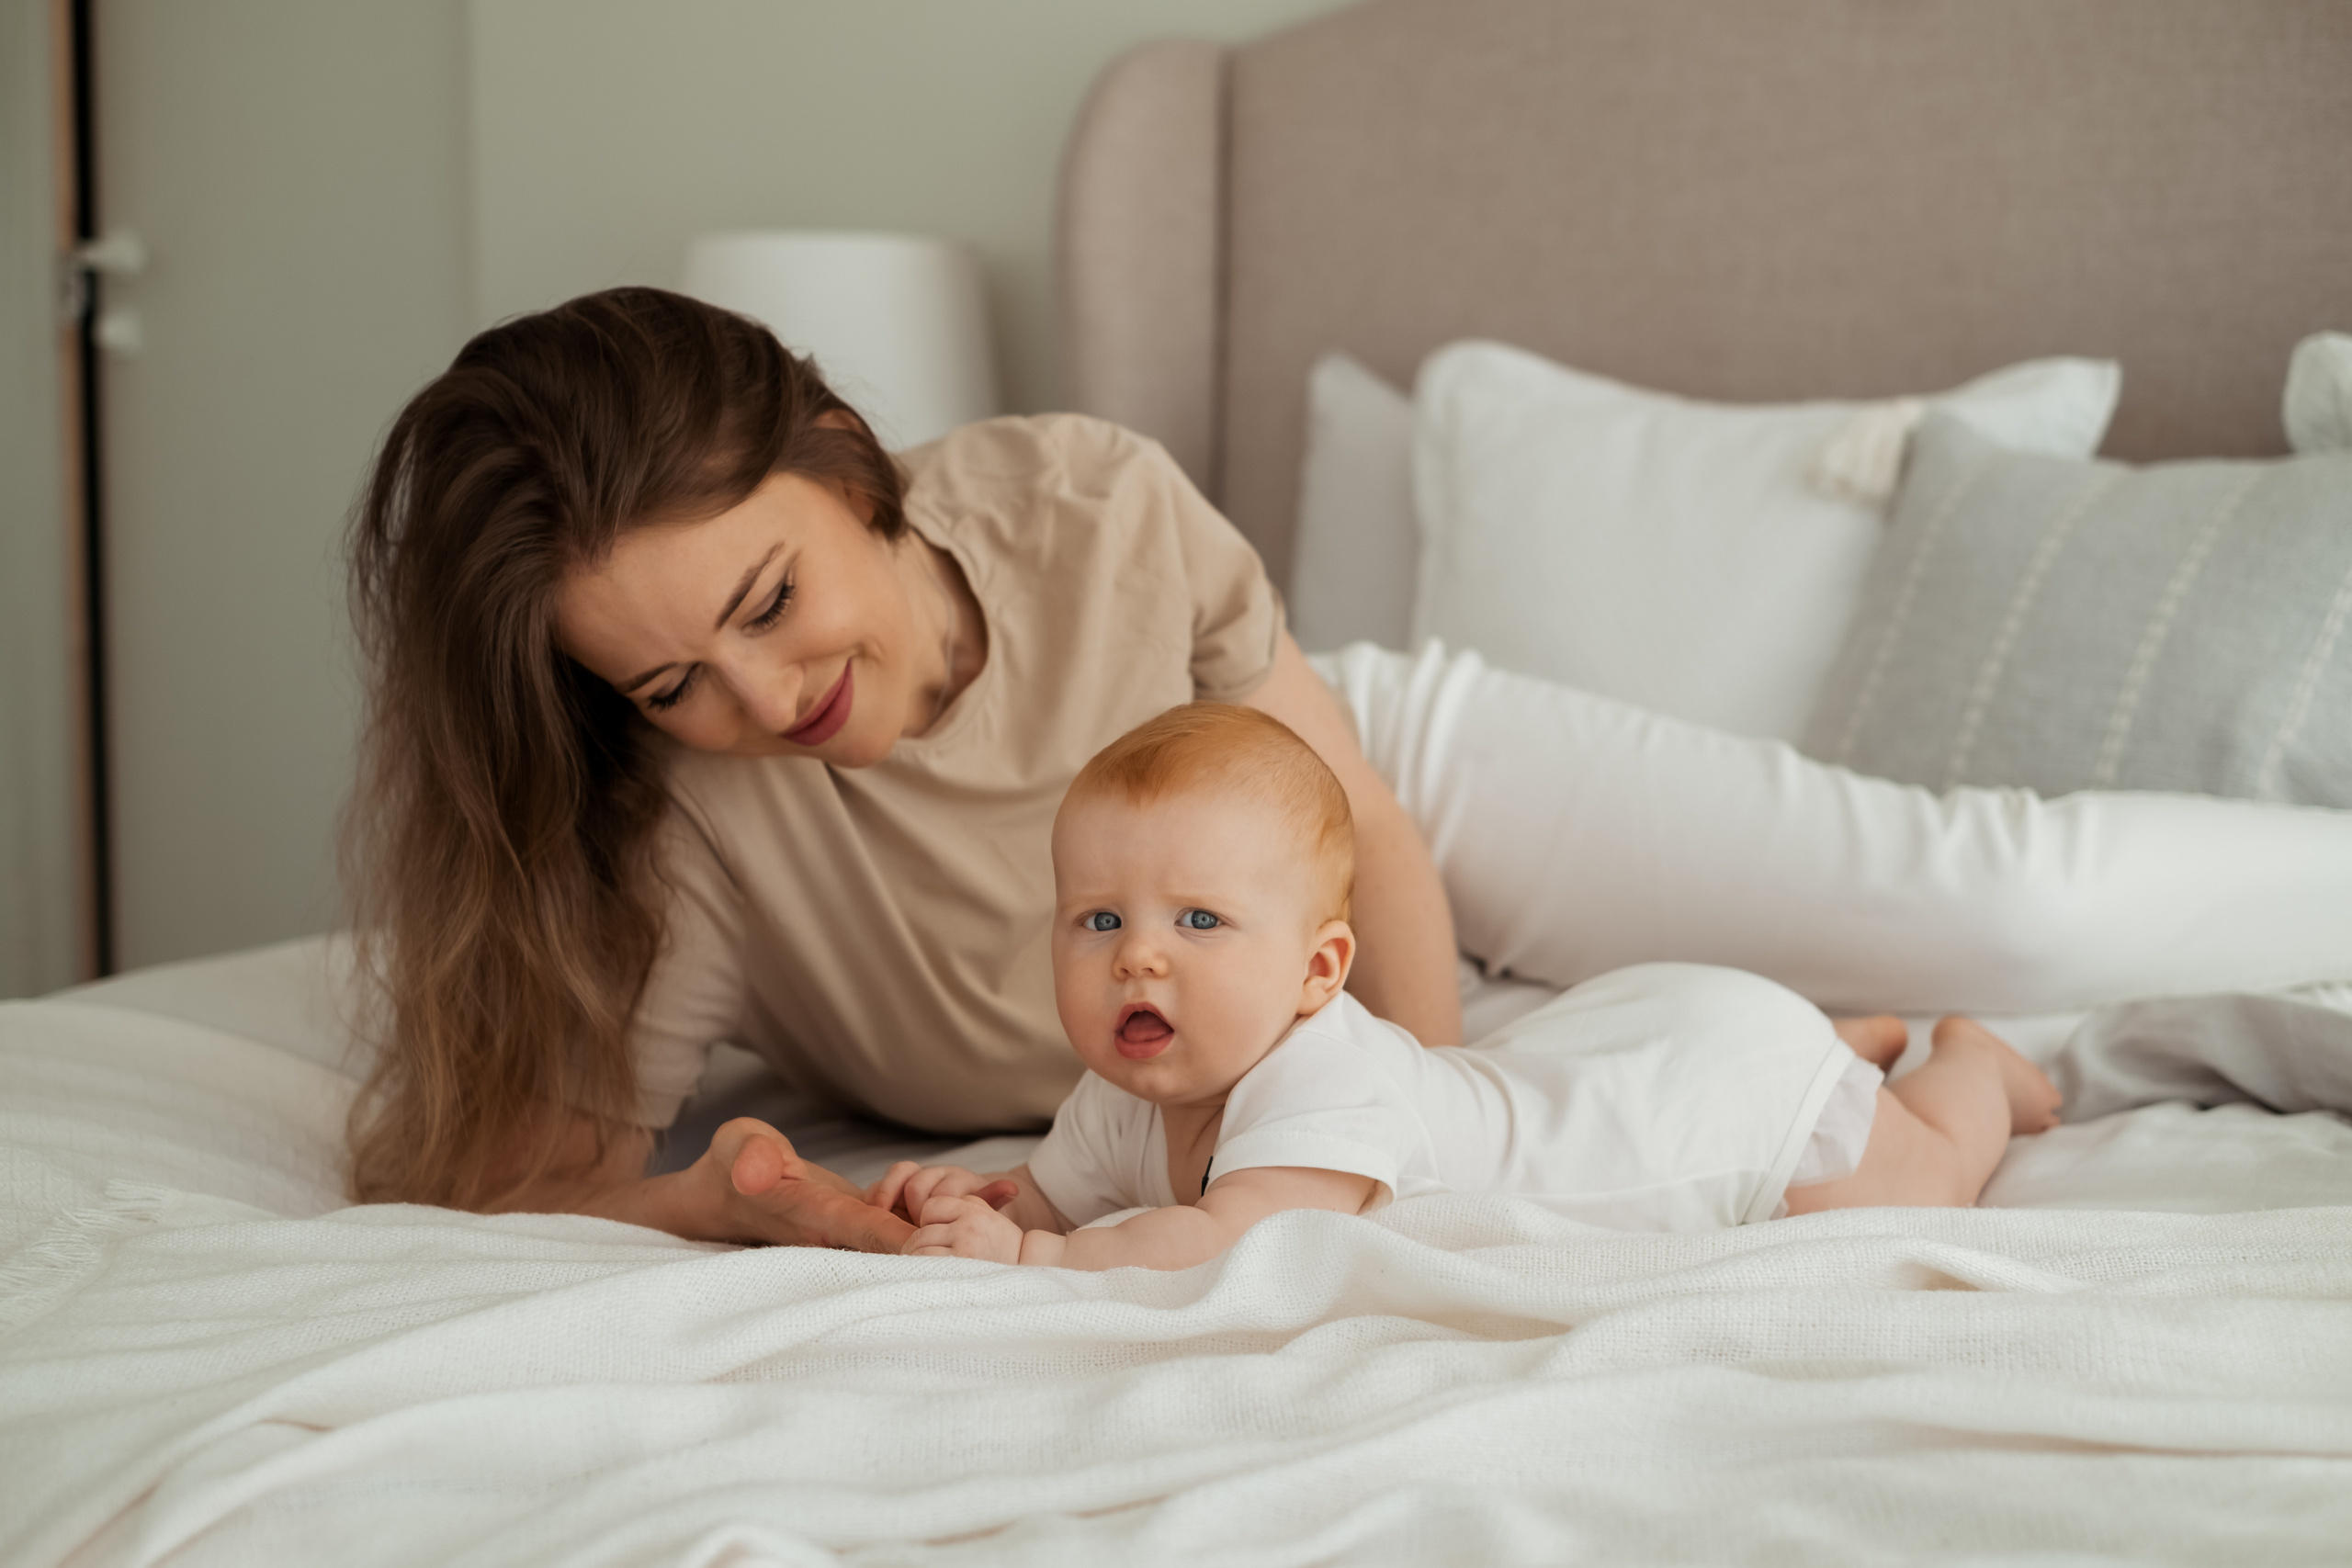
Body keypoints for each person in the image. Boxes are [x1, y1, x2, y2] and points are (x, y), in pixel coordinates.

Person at [343, 287, 2352, 1253]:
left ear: (852, 465)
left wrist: (1446, 1084)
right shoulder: (682, 823)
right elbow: (526, 1169)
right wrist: (763, 1201)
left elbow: (1359, 824)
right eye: (672, 678)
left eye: (776, 596)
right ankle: (1741, 1024)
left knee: (2004, 898)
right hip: (1191, 925)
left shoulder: (1087, 498)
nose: (764, 690)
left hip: (1360, 776)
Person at [879, 705, 2063, 1270]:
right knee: (1577, 1072)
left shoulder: (1321, 1090)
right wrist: (973, 1208)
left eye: (1199, 921)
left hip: (1706, 1110)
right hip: (1624, 1039)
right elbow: (1050, 1192)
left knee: (1915, 1189)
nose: (1139, 957)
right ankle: (1835, 1048)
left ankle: (1969, 1070)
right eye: (1098, 920)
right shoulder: (1128, 1087)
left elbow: (1214, 1244)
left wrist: (1032, 1266)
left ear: (1318, 973)